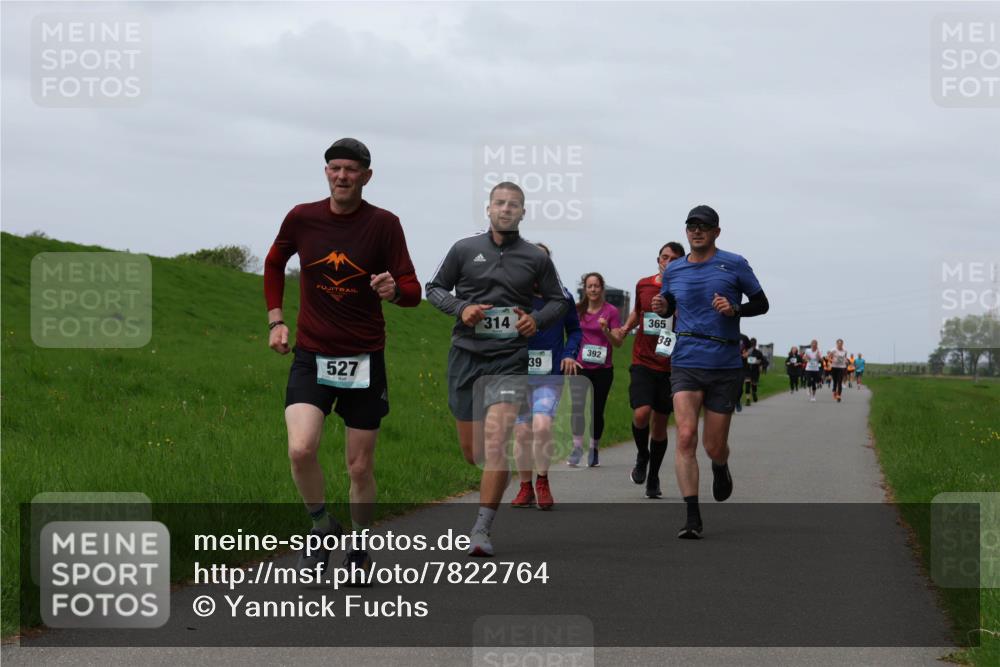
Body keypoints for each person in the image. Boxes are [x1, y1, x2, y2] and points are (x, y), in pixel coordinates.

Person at [264, 138, 421, 580]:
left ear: (366, 176)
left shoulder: (385, 225)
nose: (342, 176)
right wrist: (276, 320)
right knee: (300, 448)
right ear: (326, 173)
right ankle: (321, 527)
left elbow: (412, 291)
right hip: (312, 354)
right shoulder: (302, 218)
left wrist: (396, 291)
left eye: (351, 169)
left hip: (364, 360)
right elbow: (274, 263)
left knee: (359, 465)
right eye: (335, 168)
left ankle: (358, 546)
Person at [426, 181, 567, 557]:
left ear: (523, 213)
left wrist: (536, 321)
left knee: (496, 442)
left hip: (509, 360)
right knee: (474, 453)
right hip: (466, 356)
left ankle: (481, 529)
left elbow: (560, 301)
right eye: (500, 203)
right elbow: (434, 288)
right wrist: (461, 309)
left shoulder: (535, 258)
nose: (506, 209)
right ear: (488, 209)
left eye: (514, 205)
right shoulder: (464, 249)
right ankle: (485, 516)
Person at [651, 205, 769, 539]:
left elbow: (762, 304)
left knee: (713, 445)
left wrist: (735, 309)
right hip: (686, 359)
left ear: (717, 231)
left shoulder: (734, 264)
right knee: (686, 436)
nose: (697, 230)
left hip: (724, 364)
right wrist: (663, 306)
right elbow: (670, 304)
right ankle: (691, 516)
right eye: (691, 225)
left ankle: (720, 465)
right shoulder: (674, 270)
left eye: (704, 226)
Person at [511, 243, 582, 510]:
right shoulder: (513, 295)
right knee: (521, 432)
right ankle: (525, 487)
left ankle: (542, 481)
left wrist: (569, 354)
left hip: (549, 374)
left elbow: (575, 330)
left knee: (541, 426)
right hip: (518, 373)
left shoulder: (562, 297)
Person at [615, 241, 685, 498]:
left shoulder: (685, 289)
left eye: (674, 259)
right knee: (641, 413)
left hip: (670, 365)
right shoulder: (644, 284)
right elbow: (637, 311)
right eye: (664, 257)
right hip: (643, 360)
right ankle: (642, 455)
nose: (668, 262)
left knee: (659, 425)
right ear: (658, 260)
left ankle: (653, 476)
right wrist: (625, 328)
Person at [567, 272, 625, 467]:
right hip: (580, 366)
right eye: (589, 286)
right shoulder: (577, 311)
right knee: (577, 408)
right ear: (585, 289)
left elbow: (618, 343)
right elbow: (570, 334)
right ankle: (576, 448)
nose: (593, 289)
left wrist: (606, 330)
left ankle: (593, 449)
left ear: (602, 288)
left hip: (603, 368)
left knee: (596, 410)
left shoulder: (611, 312)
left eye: (596, 286)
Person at [743, 337, 765, 406]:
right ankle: (748, 400)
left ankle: (754, 392)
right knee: (747, 385)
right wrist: (744, 356)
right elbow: (742, 358)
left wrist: (759, 363)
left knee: (754, 384)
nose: (753, 345)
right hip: (747, 370)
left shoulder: (758, 353)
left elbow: (762, 360)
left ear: (755, 344)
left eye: (754, 344)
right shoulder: (746, 351)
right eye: (751, 344)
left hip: (755, 370)